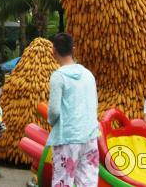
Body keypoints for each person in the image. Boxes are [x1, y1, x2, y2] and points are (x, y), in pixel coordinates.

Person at [47, 33, 99, 187]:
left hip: (67, 138)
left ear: (54, 51)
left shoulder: (58, 76)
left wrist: (51, 121)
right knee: (88, 182)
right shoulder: (88, 75)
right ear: (73, 49)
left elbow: (54, 111)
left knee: (63, 182)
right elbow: (95, 104)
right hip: (90, 136)